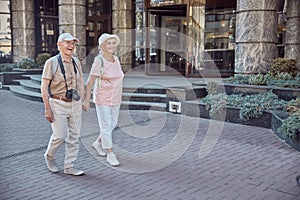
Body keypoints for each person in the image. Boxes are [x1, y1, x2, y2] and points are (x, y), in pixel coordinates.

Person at [41, 33, 85, 176]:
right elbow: (44, 87)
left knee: (74, 137)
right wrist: (47, 108)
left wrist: (83, 99)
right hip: (58, 103)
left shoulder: (76, 61)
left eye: (73, 43)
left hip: (74, 104)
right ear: (59, 44)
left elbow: (80, 82)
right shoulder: (51, 63)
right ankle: (49, 156)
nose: (71, 46)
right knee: (59, 136)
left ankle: (69, 166)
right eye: (68, 43)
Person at [83, 33, 124, 167]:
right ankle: (110, 153)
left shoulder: (116, 59)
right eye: (109, 43)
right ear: (102, 46)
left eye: (113, 43)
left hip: (116, 98)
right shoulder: (99, 61)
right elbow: (89, 82)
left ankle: (97, 143)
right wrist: (86, 100)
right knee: (106, 126)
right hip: (103, 98)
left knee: (112, 124)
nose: (112, 45)